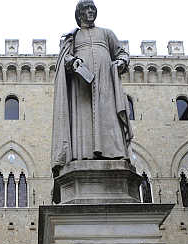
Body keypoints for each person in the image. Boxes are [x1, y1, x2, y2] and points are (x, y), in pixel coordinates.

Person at [51, 0, 133, 174]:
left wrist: (121, 62)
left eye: (93, 8)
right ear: (79, 13)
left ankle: (115, 154)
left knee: (109, 116)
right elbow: (64, 57)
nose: (91, 11)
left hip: (105, 84)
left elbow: (122, 53)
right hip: (81, 88)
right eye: (87, 9)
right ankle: (84, 155)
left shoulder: (106, 34)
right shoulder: (73, 37)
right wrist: (73, 62)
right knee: (84, 120)